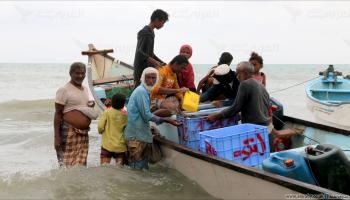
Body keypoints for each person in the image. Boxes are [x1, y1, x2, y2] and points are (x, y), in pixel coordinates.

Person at [124, 67, 181, 170]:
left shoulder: (145, 91)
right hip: (136, 137)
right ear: (143, 78)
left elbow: (143, 115)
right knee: (137, 169)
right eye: (148, 77)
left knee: (140, 168)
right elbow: (146, 114)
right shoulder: (141, 91)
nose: (151, 80)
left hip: (140, 134)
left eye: (154, 78)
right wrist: (165, 120)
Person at [54, 62, 98, 167]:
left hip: (83, 133)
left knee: (81, 165)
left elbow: (80, 107)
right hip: (69, 132)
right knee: (66, 165)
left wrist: (90, 106)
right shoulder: (64, 90)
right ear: (71, 73)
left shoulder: (86, 89)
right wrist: (57, 137)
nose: (80, 76)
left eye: (83, 73)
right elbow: (58, 114)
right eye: (77, 73)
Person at [207, 61, 270, 126]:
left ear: (245, 73)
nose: (237, 76)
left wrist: (216, 116)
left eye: (238, 73)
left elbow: (236, 108)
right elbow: (267, 106)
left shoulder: (244, 84)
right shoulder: (261, 85)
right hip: (265, 125)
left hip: (253, 126)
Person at [133, 9, 169, 87]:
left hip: (147, 68)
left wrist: (162, 63)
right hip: (140, 69)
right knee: (139, 90)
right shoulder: (145, 32)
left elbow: (150, 53)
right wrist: (155, 62)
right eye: (162, 22)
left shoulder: (151, 32)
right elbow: (140, 53)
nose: (163, 25)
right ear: (156, 20)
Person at [98, 93, 128, 166]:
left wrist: (101, 132)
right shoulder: (125, 115)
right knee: (119, 169)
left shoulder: (107, 112)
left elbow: (100, 127)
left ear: (112, 102)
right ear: (123, 104)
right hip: (120, 147)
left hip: (107, 146)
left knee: (104, 169)